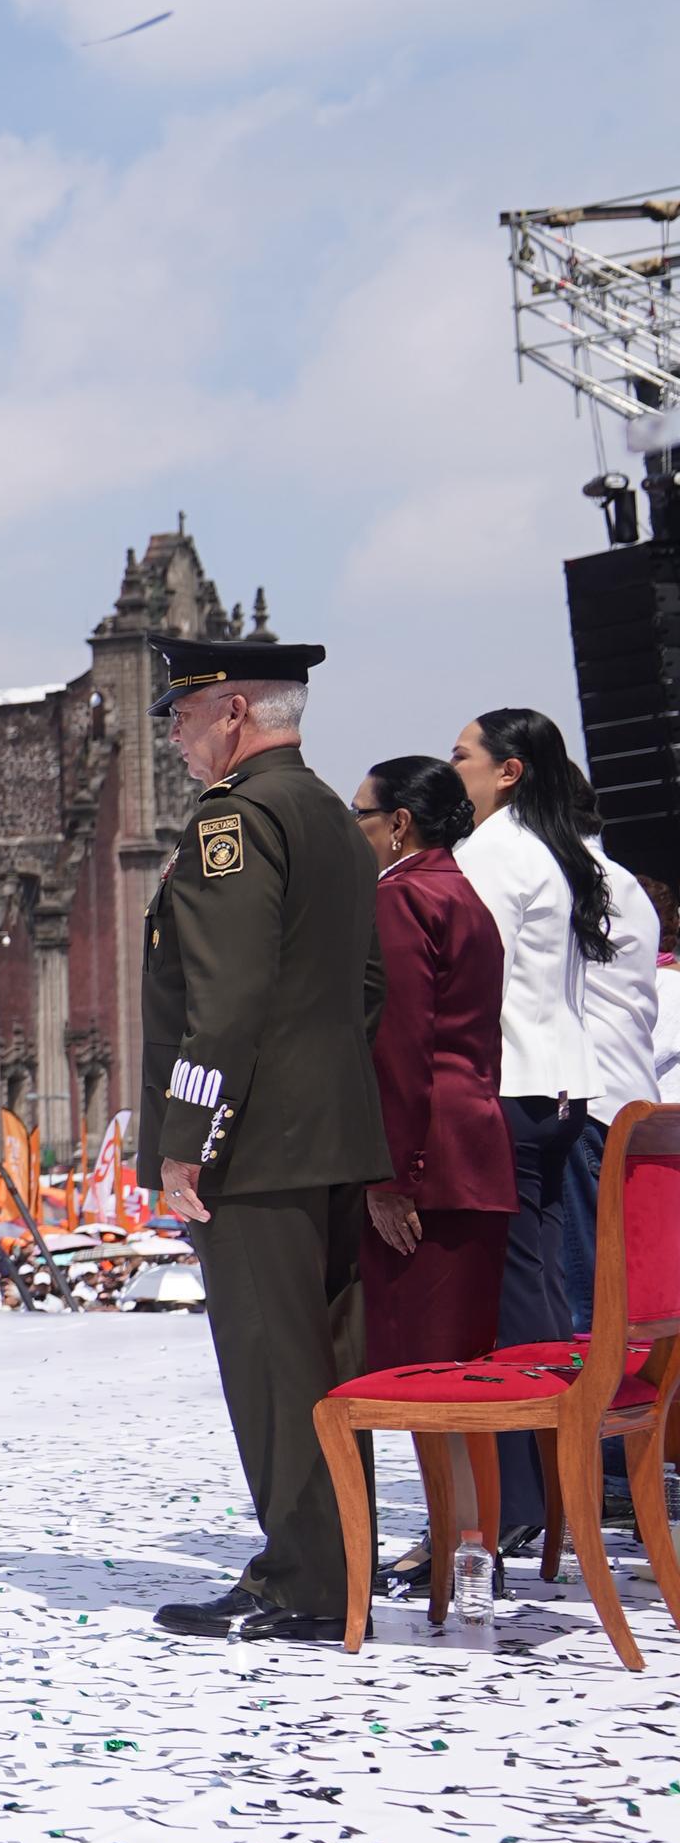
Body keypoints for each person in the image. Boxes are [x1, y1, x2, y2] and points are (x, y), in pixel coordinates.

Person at [143, 640, 386, 1643]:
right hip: (328, 1127)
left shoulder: (232, 823)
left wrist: (187, 1132)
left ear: (232, 710)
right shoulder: (329, 812)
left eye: (182, 713)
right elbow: (364, 985)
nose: (173, 733)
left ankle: (302, 1578)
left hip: (253, 1142)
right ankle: (345, 1561)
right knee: (326, 1367)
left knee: (273, 1366)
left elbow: (224, 995)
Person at [450, 708, 613, 1548]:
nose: (453, 771)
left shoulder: (490, 854)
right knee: (542, 1292)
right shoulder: (553, 850)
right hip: (557, 1087)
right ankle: (551, 1492)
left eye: (462, 756)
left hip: (506, 1083)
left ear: (507, 770)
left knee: (508, 1298)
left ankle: (515, 1504)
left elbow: (469, 978)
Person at [352, 754, 513, 1587]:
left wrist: (391, 1177)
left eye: (362, 817)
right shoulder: (466, 894)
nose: (359, 833)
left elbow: (400, 1042)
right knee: (464, 1371)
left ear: (400, 824)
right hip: (477, 1144)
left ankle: (461, 1544)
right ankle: (467, 1537)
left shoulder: (400, 894)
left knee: (427, 1375)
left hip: (430, 1157)